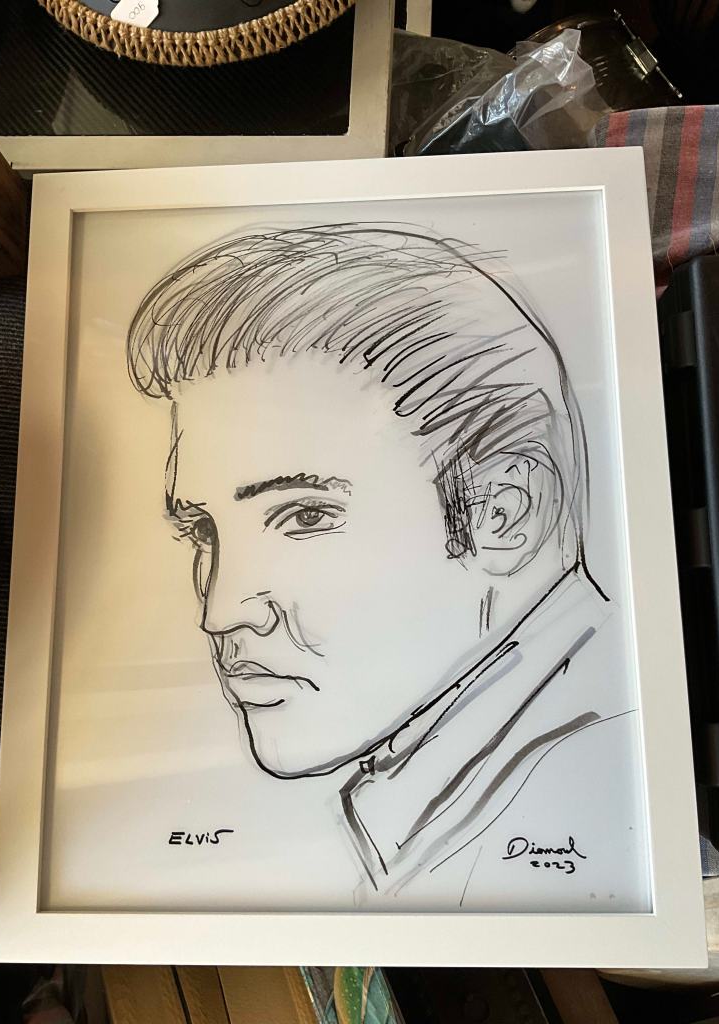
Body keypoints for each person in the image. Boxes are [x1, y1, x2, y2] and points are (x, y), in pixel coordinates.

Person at [126, 224, 646, 906]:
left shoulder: (588, 804)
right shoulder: (443, 810)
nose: (219, 612)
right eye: (202, 530)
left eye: (304, 516)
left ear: (503, 513)